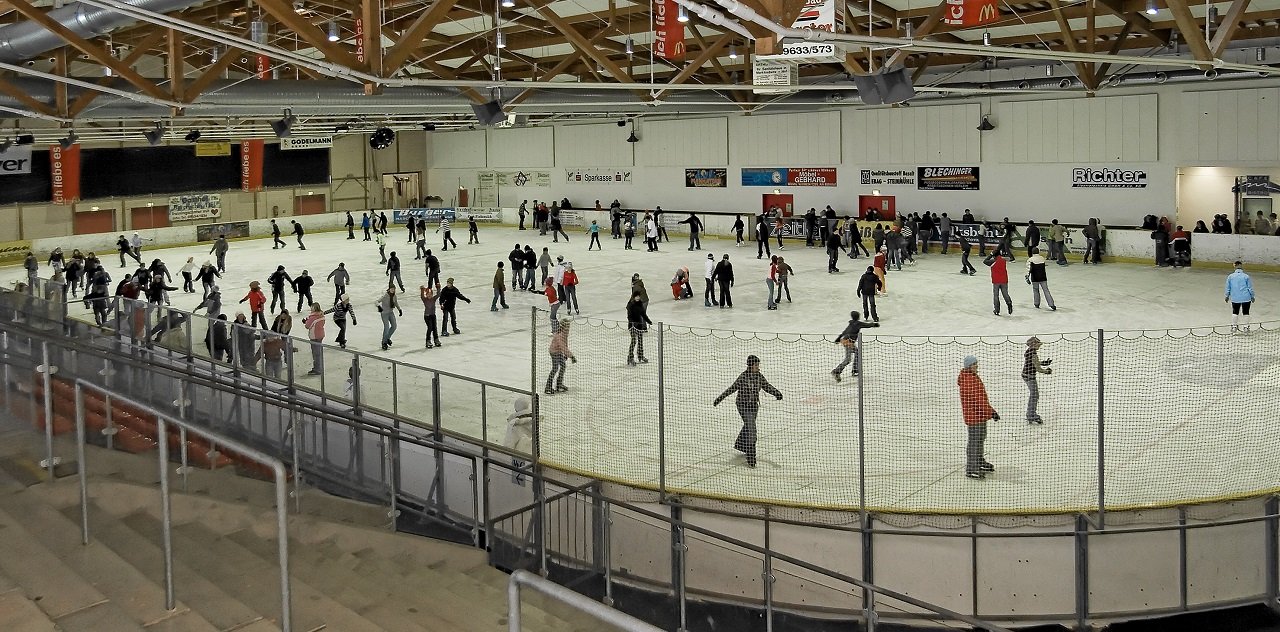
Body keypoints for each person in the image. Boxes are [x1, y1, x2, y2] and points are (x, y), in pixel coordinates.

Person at [713, 355, 782, 469]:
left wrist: (776, 393)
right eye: (756, 365)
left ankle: (741, 445)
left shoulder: (759, 376)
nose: (758, 366)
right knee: (752, 430)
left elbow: (766, 386)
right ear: (751, 366)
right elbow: (732, 388)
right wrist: (719, 399)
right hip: (743, 406)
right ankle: (751, 455)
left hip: (754, 407)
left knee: (749, 426)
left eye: (758, 364)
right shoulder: (743, 377)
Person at [958, 355, 998, 479]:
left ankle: (979, 461)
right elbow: (978, 400)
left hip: (980, 415)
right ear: (968, 366)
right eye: (974, 364)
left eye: (976, 363)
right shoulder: (968, 380)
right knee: (974, 442)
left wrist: (989, 412)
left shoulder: (973, 376)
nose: (976, 366)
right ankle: (971, 468)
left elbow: (981, 399)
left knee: (980, 439)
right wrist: (991, 412)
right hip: (974, 417)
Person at [831, 311, 879, 382]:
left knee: (857, 352)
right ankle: (836, 371)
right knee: (848, 359)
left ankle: (855, 370)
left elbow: (844, 332)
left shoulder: (851, 323)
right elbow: (866, 325)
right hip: (848, 342)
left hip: (845, 340)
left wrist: (839, 338)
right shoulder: (858, 323)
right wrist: (875, 324)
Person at [1022, 337, 1053, 424]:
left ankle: (1030, 414)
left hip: (1025, 375)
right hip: (1030, 377)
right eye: (1037, 344)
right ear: (1034, 344)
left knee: (1034, 395)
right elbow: (1038, 368)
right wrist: (1047, 371)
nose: (1039, 345)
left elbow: (1034, 362)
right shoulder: (1033, 353)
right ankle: (1031, 415)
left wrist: (1043, 363)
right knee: (1034, 396)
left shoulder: (1029, 351)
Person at [544, 319, 577, 394]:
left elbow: (565, 344)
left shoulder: (564, 333)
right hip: (554, 352)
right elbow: (563, 347)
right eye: (568, 326)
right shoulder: (560, 335)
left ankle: (559, 384)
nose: (569, 327)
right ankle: (548, 387)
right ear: (564, 327)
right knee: (555, 369)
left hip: (558, 351)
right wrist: (571, 356)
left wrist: (565, 354)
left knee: (563, 366)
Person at [1226, 261, 1256, 332]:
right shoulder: (1246, 276)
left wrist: (1227, 296)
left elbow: (1228, 287)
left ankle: (1234, 326)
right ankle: (1246, 327)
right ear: (1241, 266)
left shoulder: (1230, 276)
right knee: (1246, 312)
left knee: (1235, 311)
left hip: (1235, 297)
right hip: (1246, 297)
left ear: (1234, 266)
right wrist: (1252, 296)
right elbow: (1250, 288)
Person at [625, 292, 652, 366]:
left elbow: (643, 314)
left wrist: (648, 321)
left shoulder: (640, 303)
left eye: (638, 296)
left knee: (640, 341)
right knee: (633, 341)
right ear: (633, 297)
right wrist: (632, 323)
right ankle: (630, 357)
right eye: (636, 296)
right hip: (632, 326)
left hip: (639, 325)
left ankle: (640, 356)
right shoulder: (630, 305)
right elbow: (629, 315)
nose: (638, 298)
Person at [302, 303, 325, 375]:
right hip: (320, 335)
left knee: (316, 353)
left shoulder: (313, 317)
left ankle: (317, 369)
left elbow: (307, 326)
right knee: (318, 353)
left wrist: (306, 322)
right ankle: (319, 367)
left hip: (314, 336)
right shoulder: (321, 315)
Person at [377, 286, 403, 350]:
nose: (393, 290)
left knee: (394, 326)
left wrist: (399, 309)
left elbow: (396, 303)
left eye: (394, 289)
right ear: (389, 289)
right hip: (384, 314)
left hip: (391, 313)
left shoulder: (394, 296)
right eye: (391, 289)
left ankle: (387, 338)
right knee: (387, 328)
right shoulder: (385, 296)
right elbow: (376, 302)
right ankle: (384, 342)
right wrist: (379, 307)